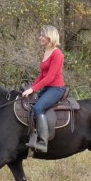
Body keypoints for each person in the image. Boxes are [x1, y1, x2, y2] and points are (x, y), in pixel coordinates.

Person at [22, 25, 65, 153]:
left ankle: (43, 142)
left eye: (42, 35)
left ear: (49, 37)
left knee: (38, 108)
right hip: (47, 88)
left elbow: (50, 77)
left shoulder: (57, 54)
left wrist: (33, 89)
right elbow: (42, 75)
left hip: (56, 88)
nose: (40, 37)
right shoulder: (47, 51)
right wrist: (32, 88)